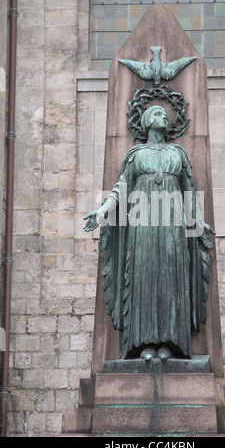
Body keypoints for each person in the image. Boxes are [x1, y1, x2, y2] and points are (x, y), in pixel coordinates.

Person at [83, 106, 214, 361]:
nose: (162, 117)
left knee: (171, 279)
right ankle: (143, 344)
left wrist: (198, 222)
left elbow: (189, 191)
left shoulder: (178, 154)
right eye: (156, 114)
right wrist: (102, 212)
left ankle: (169, 343)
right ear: (145, 121)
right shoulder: (136, 154)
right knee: (143, 278)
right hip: (142, 226)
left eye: (165, 115)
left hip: (173, 227)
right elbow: (121, 188)